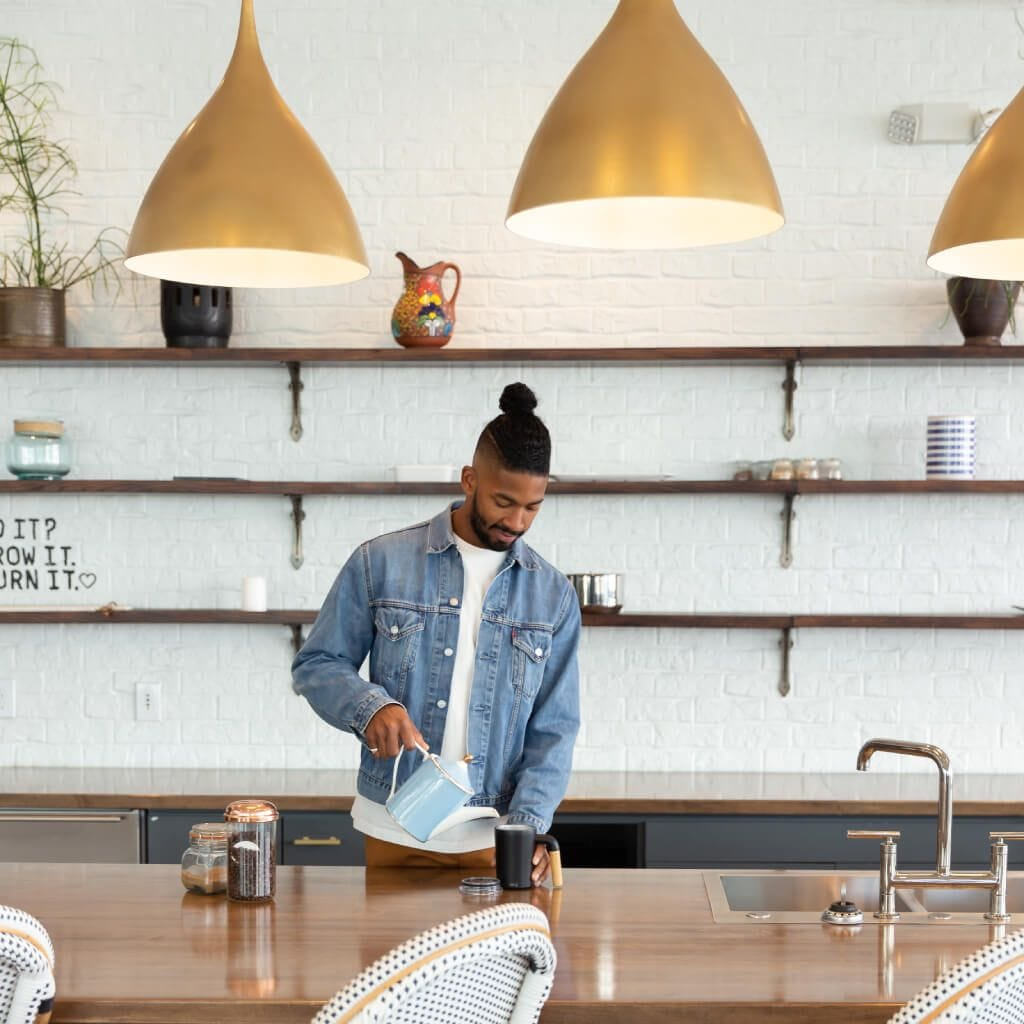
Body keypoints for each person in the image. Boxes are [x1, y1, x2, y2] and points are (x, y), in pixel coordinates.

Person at [292, 383, 581, 884]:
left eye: (532, 507)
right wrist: (371, 708)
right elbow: (317, 664)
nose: (516, 521)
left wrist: (531, 823)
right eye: (503, 501)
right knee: (392, 964)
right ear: (470, 480)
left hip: (494, 839)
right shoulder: (380, 562)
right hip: (394, 825)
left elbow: (554, 728)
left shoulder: (552, 595)